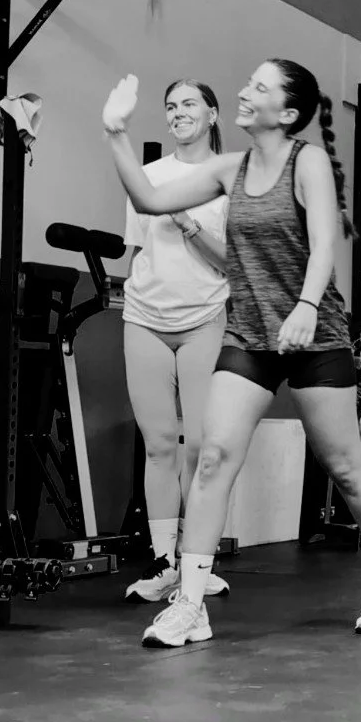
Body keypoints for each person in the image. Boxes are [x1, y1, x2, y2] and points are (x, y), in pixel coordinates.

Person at [101, 59, 361, 647]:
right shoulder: (230, 168)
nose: (245, 92)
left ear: (288, 112)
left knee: (345, 468)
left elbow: (325, 239)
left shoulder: (309, 161)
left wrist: (303, 304)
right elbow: (147, 198)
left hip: (314, 335)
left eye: (259, 88)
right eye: (247, 83)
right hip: (249, 337)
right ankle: (190, 602)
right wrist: (116, 132)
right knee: (214, 456)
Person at [121, 79, 233, 603]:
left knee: (204, 451)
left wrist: (186, 221)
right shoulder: (147, 177)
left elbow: (231, 262)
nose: (178, 112)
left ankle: (197, 561)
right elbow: (136, 252)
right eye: (170, 106)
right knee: (160, 444)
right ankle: (164, 562)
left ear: (212, 114)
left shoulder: (229, 176)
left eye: (189, 103)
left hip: (204, 319)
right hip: (144, 317)